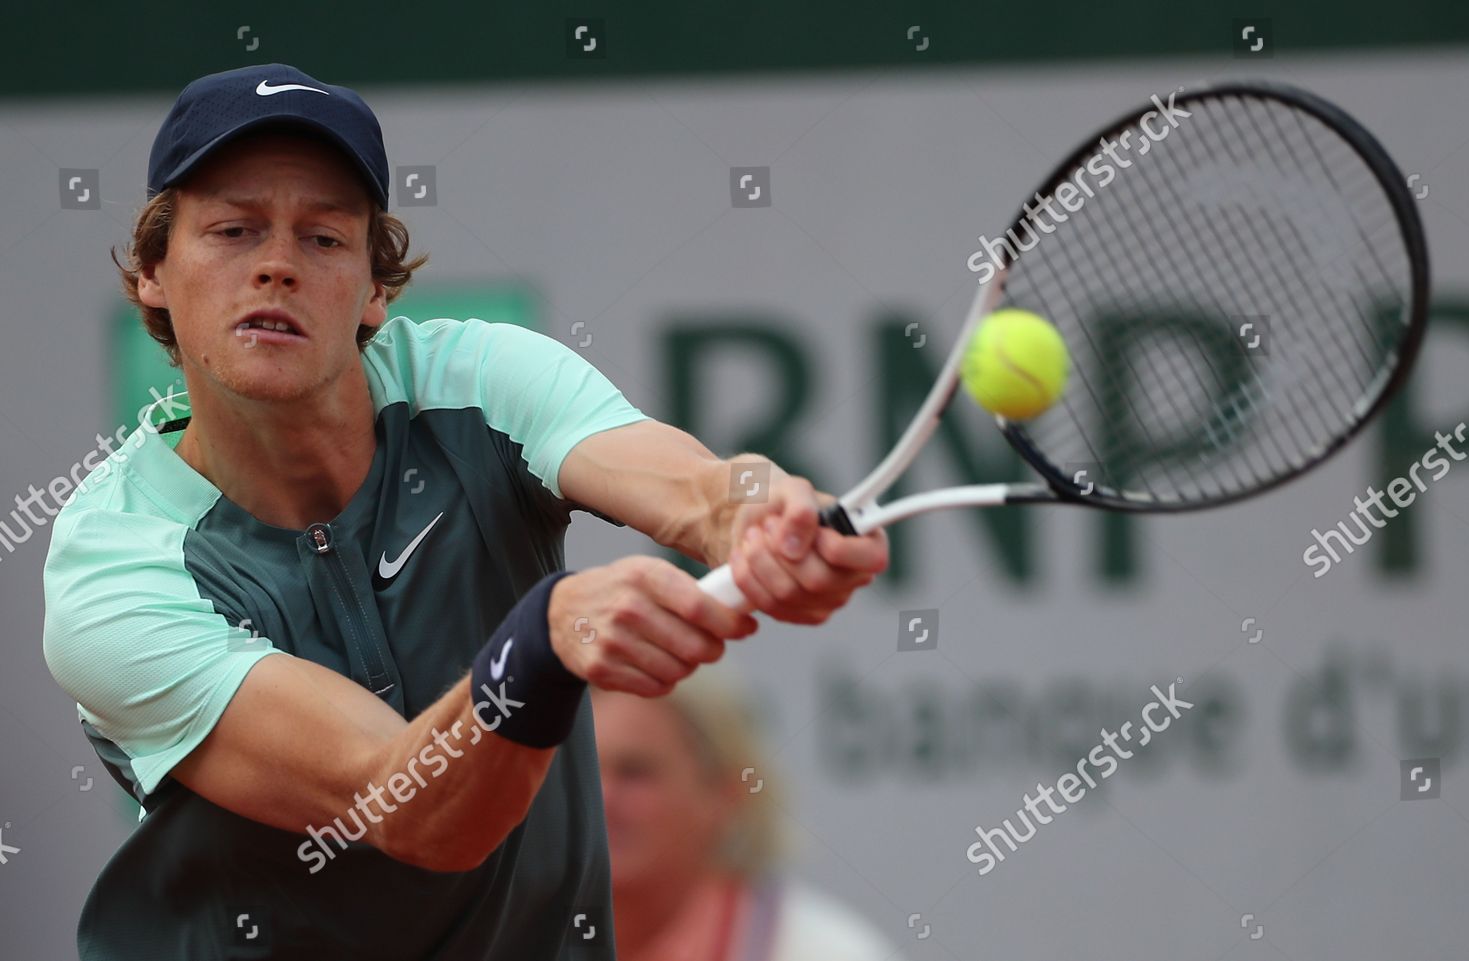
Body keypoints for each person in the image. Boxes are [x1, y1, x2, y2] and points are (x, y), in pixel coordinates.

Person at [41, 62, 888, 960]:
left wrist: (760, 512)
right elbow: (406, 808)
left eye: (325, 238)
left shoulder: (477, 379)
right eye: (233, 229)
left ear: (375, 288)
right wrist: (545, 641)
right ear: (153, 274)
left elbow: (696, 487)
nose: (278, 265)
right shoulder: (116, 568)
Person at [595, 676, 910, 961]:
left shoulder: (834, 952)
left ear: (725, 793)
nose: (600, 800)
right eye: (580, 776)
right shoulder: (549, 936)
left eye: (634, 773)